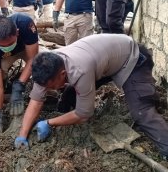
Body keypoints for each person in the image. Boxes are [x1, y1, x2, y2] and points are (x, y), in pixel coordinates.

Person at [14, 34, 168, 160]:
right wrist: (22, 135)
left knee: (141, 111)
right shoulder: (45, 66)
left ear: (62, 74)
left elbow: (84, 114)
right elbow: (35, 102)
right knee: (68, 96)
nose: (49, 90)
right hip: (105, 61)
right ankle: (65, 114)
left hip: (132, 59)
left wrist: (49, 122)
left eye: (51, 86)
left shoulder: (80, 70)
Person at [0, 14, 39, 131]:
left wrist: (19, 86)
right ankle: (7, 92)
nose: (7, 46)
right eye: (2, 45)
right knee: (1, 72)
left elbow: (33, 58)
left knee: (40, 65)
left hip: (26, 48)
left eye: (9, 43)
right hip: (5, 56)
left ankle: (39, 90)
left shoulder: (26, 24)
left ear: (17, 33)